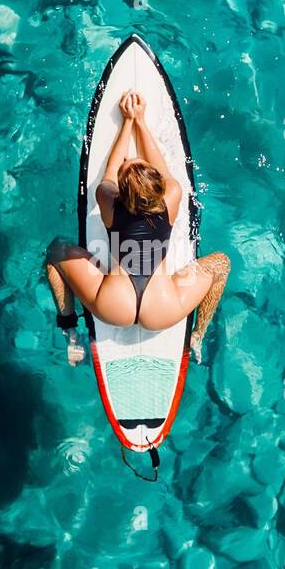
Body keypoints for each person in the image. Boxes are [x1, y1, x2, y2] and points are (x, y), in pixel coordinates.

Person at [46, 92, 230, 365]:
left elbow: (110, 171)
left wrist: (126, 125)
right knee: (222, 265)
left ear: (121, 191)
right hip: (162, 308)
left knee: (56, 252)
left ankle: (70, 330)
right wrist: (141, 121)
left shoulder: (108, 200)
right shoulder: (172, 196)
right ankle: (197, 337)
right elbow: (161, 167)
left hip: (114, 305)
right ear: (157, 187)